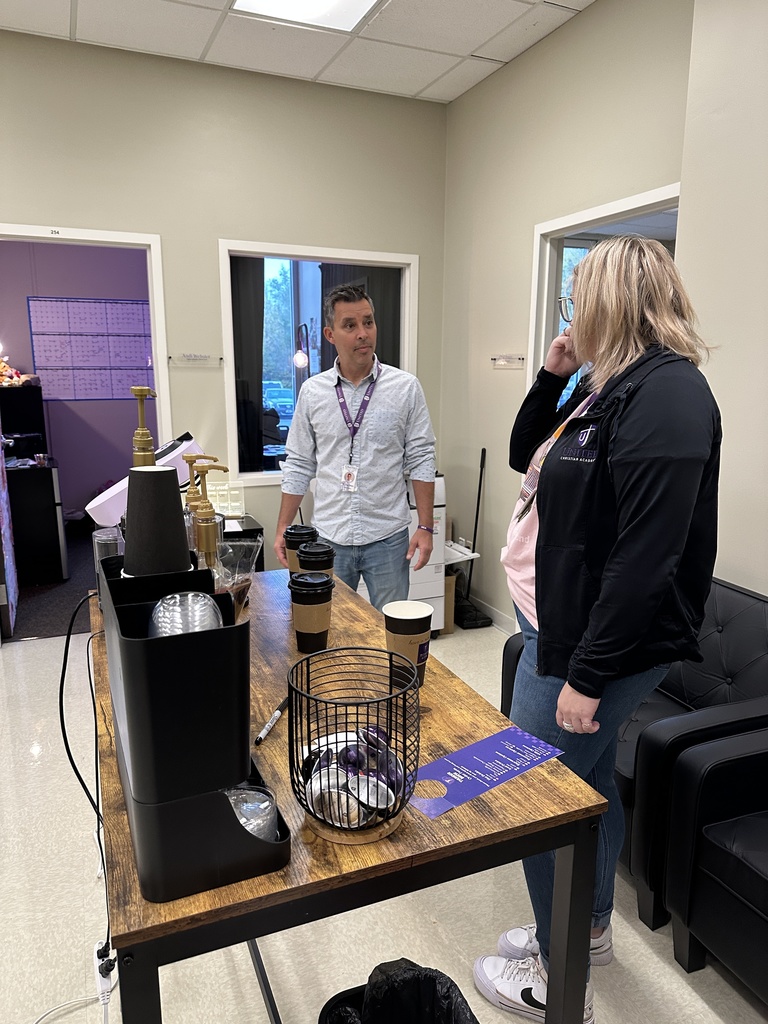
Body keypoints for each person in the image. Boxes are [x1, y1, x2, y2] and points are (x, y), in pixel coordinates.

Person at [473, 236, 721, 1023]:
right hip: (556, 618)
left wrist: (585, 674)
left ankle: (560, 973)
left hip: (589, 643)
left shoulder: (670, 395)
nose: (572, 310)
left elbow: (648, 559)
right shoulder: (601, 385)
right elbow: (525, 455)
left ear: (615, 298)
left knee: (527, 792)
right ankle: (589, 929)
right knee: (579, 784)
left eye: (580, 296)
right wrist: (553, 374)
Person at [274, 284, 436, 611]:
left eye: (368, 322)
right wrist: (282, 527)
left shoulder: (405, 388)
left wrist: (425, 525)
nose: (363, 333)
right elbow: (299, 464)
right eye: (350, 325)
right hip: (329, 538)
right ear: (330, 334)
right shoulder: (312, 393)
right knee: (332, 630)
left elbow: (421, 458)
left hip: (388, 538)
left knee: (389, 631)